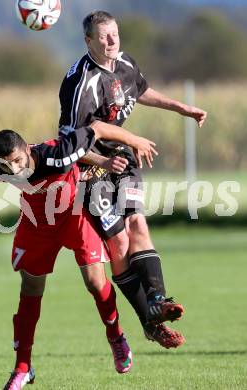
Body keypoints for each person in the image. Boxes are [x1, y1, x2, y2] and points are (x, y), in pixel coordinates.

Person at [0, 121, 157, 389]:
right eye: (7, 166)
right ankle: (22, 367)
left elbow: (96, 129)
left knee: (94, 281)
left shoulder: (56, 153)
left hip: (74, 217)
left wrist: (112, 157)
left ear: (27, 150)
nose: (14, 170)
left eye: (18, 161)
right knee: (30, 288)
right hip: (36, 224)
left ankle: (116, 337)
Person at [59, 10, 207, 349]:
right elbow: (69, 143)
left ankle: (158, 299)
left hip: (122, 160)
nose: (112, 41)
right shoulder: (80, 84)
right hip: (91, 170)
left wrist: (182, 108)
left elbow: (140, 90)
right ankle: (148, 322)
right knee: (120, 244)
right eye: (103, 37)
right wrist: (103, 160)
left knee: (138, 224)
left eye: (115, 34)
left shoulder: (124, 62)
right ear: (88, 42)